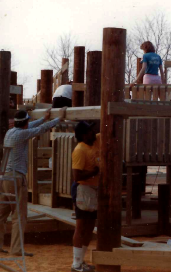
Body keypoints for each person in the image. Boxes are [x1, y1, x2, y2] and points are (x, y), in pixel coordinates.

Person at [0, 107, 66, 256]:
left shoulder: (10, 133)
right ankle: (16, 249)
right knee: (19, 215)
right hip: (16, 177)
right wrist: (58, 119)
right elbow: (41, 129)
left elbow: (32, 127)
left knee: (2, 213)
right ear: (24, 123)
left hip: (5, 177)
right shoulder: (22, 134)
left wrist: (44, 118)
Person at [71, 121, 100, 272]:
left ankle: (81, 261)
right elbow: (77, 176)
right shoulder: (80, 150)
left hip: (93, 189)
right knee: (81, 227)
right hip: (83, 188)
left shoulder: (95, 142)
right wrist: (94, 172)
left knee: (89, 227)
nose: (93, 132)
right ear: (83, 135)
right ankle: (76, 264)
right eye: (89, 130)